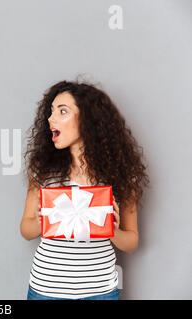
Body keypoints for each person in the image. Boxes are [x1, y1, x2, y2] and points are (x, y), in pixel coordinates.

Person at [21, 79, 149, 300]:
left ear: (88, 120)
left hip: (100, 293)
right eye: (51, 112)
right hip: (46, 291)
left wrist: (113, 231)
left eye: (63, 111)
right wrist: (44, 221)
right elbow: (25, 229)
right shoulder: (43, 172)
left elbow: (132, 242)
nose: (51, 118)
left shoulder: (120, 175)